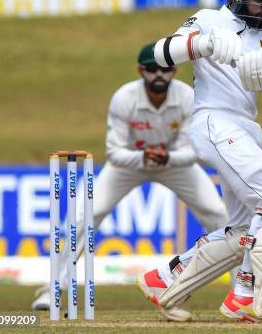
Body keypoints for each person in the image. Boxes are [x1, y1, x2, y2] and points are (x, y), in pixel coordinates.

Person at [137, 0, 262, 324]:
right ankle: (245, 295)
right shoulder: (208, 20)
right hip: (214, 119)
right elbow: (158, 53)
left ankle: (163, 278)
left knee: (247, 227)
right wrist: (203, 44)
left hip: (248, 127)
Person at [31, 43, 229, 318]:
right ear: (140, 71)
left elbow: (193, 150)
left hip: (174, 165)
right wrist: (144, 157)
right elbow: (114, 152)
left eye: (165, 69)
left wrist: (166, 158)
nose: (159, 75)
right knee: (85, 214)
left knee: (218, 214)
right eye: (152, 69)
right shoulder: (124, 97)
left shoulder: (187, 97)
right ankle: (51, 288)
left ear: (174, 70)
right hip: (129, 166)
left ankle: (240, 290)